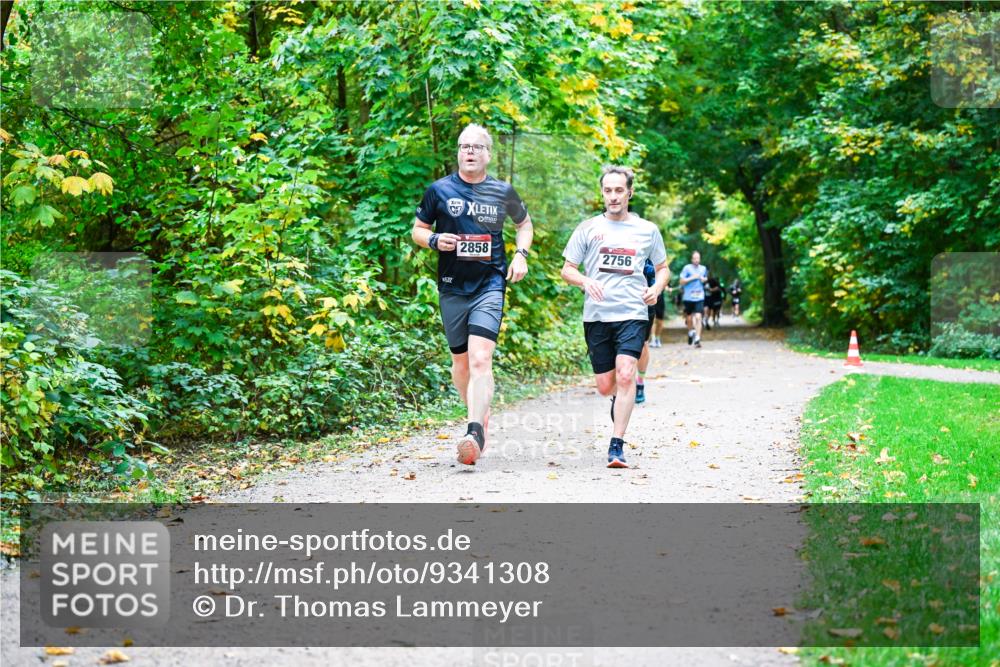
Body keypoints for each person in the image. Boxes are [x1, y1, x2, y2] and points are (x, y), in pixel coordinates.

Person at [411, 123, 533, 465]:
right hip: (452, 285)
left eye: (477, 147)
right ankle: (478, 413)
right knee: (461, 363)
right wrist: (435, 240)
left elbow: (524, 224)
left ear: (488, 154)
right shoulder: (439, 190)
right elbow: (418, 230)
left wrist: (521, 256)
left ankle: (474, 431)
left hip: (490, 283)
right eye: (464, 146)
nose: (469, 151)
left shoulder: (502, 191)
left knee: (481, 359)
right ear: (458, 152)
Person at [561, 166, 668, 468]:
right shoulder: (588, 228)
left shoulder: (647, 230)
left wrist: (656, 288)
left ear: (629, 192)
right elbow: (567, 270)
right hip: (597, 315)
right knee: (606, 386)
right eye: (608, 190)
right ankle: (617, 399)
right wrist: (585, 281)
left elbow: (663, 268)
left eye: (619, 190)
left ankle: (616, 444)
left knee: (626, 373)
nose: (613, 196)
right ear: (602, 193)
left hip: (633, 312)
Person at [679, 251, 707, 348]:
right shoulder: (687, 268)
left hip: (699, 296)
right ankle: (691, 332)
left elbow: (705, 279)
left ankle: (697, 338)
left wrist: (704, 279)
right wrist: (692, 277)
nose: (696, 260)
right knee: (689, 318)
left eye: (698, 258)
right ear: (691, 259)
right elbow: (681, 281)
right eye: (695, 258)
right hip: (688, 297)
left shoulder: (703, 268)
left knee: (698, 317)